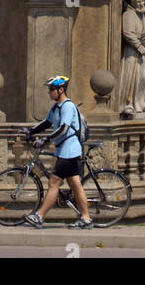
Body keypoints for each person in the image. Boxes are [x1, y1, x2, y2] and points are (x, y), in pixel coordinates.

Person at [23, 76, 93, 230]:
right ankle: (86, 218)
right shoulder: (56, 107)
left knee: (54, 182)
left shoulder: (68, 106)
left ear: (61, 90)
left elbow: (63, 128)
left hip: (70, 150)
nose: (49, 92)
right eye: (49, 89)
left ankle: (39, 216)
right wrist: (30, 131)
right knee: (75, 184)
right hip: (64, 150)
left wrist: (45, 140)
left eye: (51, 89)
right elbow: (46, 123)